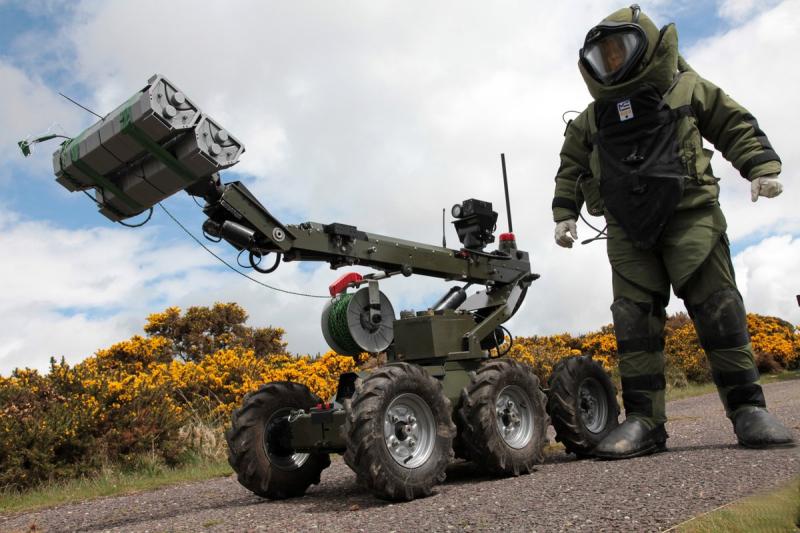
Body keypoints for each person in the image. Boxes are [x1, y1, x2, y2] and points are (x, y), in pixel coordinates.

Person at [551, 4, 795, 459]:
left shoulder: (686, 86)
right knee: (633, 323)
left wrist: (760, 166)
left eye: (619, 50)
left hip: (692, 216)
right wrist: (564, 213)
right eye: (603, 56)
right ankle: (645, 421)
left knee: (718, 308)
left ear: (644, 45)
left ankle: (748, 409)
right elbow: (571, 165)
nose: (612, 61)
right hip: (627, 229)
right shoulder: (592, 119)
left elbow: (730, 121)